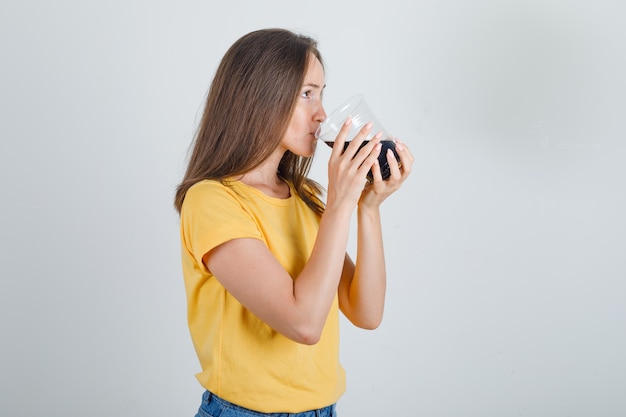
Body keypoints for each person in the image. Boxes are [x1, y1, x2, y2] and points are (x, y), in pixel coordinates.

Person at [174, 28, 413, 417]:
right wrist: (339, 204)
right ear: (259, 96)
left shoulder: (305, 197)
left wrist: (367, 208)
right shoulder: (211, 200)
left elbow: (366, 312)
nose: (321, 113)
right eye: (307, 93)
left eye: (321, 93)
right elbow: (303, 323)